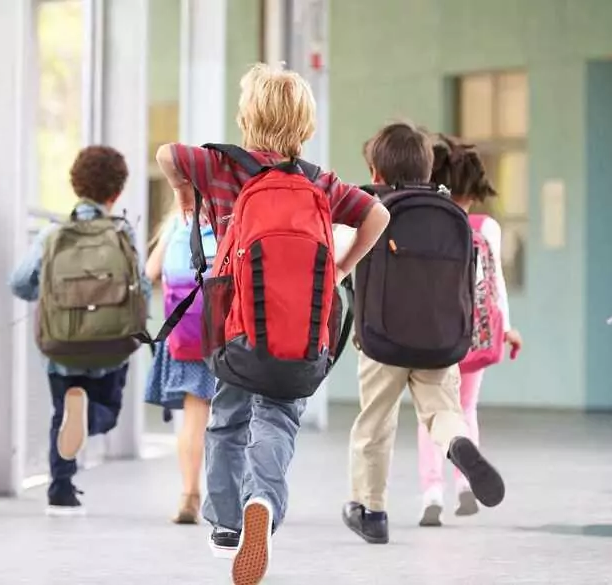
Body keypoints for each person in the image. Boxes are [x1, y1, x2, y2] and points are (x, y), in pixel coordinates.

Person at [156, 63, 389, 584]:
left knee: (229, 417)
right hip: (301, 332)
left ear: (246, 118)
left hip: (237, 327)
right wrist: (340, 269)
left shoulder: (216, 167)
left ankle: (224, 525)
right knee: (279, 419)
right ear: (304, 127)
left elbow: (166, 154)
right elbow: (378, 215)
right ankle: (262, 498)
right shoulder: (319, 182)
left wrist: (184, 196)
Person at [342, 123, 506, 545]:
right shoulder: (450, 212)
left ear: (375, 173)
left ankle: (371, 510)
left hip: (382, 341)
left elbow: (342, 262)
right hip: (439, 340)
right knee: (441, 411)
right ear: (428, 168)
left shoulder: (371, 208)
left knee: (375, 423)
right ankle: (457, 442)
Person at [9, 146, 152, 516]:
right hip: (111, 342)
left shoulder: (53, 234)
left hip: (62, 343)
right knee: (107, 410)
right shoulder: (123, 232)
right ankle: (90, 418)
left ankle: (60, 490)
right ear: (116, 191)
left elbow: (20, 283)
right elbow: (143, 289)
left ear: (76, 185)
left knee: (62, 414)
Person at [415, 136, 522, 526]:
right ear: (475, 189)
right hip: (475, 335)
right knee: (466, 408)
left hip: (434, 336)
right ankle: (465, 485)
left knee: (432, 413)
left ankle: (431, 492)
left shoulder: (429, 222)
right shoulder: (487, 227)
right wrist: (507, 329)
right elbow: (498, 285)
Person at [144, 185, 217, 524]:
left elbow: (150, 271)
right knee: (238, 419)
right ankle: (239, 496)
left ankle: (189, 494)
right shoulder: (227, 222)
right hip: (225, 337)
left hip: (185, 336)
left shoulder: (176, 226)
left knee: (193, 421)